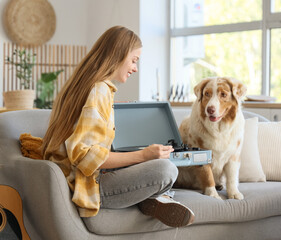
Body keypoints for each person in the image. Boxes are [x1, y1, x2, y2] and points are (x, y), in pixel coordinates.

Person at [41, 26, 194, 228]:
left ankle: (152, 200)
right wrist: (143, 155)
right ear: (118, 54)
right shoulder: (99, 91)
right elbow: (84, 156)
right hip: (85, 186)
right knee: (166, 169)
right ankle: (153, 199)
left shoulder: (82, 85)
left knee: (148, 163)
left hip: (80, 178)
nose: (135, 68)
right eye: (134, 60)